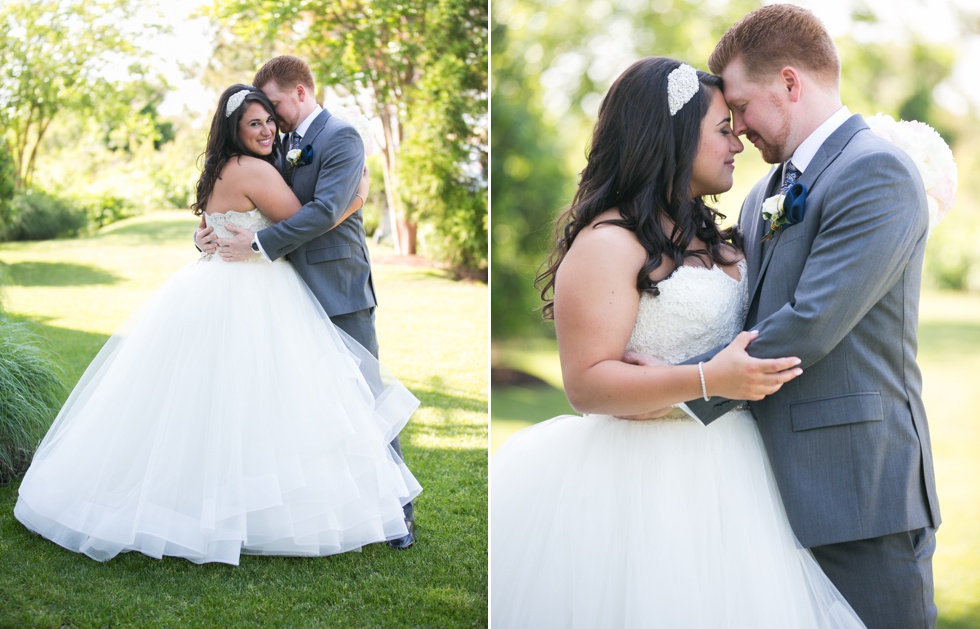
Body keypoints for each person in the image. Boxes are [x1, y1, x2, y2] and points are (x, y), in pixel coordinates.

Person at [490, 57, 865, 628]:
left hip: (740, 472)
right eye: (722, 129)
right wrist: (706, 380)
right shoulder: (607, 244)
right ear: (669, 138)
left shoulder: (721, 235)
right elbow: (586, 384)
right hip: (640, 484)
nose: (738, 141)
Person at [14, 84, 421, 565]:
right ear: (235, 130)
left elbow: (227, 220)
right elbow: (306, 218)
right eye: (255, 123)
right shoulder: (250, 168)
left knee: (224, 404)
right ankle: (318, 507)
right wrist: (355, 199)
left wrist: (211, 233)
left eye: (270, 119)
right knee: (289, 399)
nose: (268, 128)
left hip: (220, 283)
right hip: (256, 291)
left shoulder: (220, 168)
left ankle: (224, 502)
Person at [672, 4, 939, 629]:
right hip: (762, 488)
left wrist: (676, 385)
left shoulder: (876, 171)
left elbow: (811, 324)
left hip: (859, 490)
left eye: (740, 106)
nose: (735, 128)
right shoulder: (766, 191)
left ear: (790, 83)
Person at [197, 57, 416, 549]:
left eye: (273, 107)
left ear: (299, 92)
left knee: (366, 397)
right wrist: (210, 233)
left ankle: (399, 513)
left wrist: (345, 207)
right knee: (312, 406)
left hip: (337, 285)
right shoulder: (276, 145)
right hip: (284, 291)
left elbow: (323, 210)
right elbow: (250, 202)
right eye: (260, 116)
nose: (269, 121)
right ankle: (331, 505)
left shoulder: (341, 136)